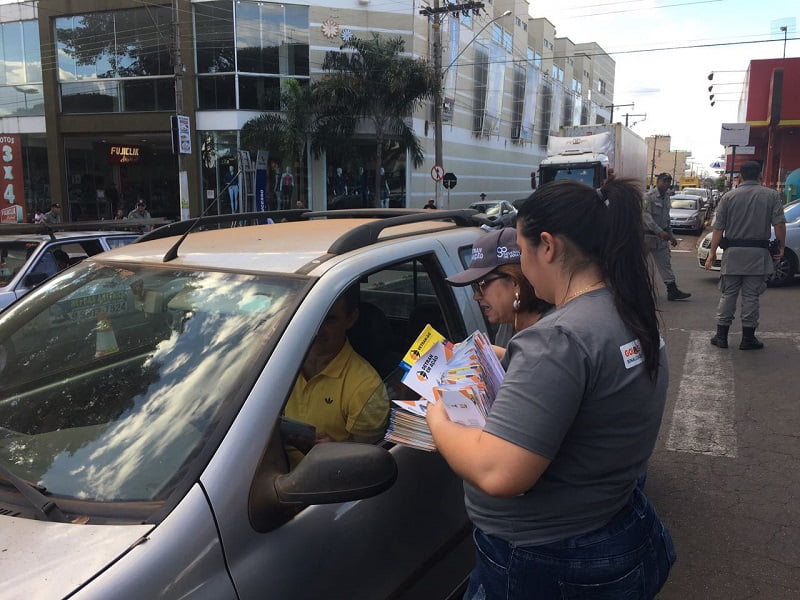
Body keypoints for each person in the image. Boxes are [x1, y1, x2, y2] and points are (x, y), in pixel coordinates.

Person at [427, 178, 675, 599]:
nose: (522, 267)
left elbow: (498, 472)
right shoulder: (624, 310)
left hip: (552, 557)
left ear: (548, 246)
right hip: (614, 525)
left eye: (522, 253)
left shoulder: (558, 337)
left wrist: (436, 415)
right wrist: (512, 359)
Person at [283, 285, 388, 451]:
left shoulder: (366, 388)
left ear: (351, 319)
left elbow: (366, 460)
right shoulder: (277, 362)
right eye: (312, 318)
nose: (317, 329)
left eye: (330, 319)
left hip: (324, 474)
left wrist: (335, 449)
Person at [705, 160, 786, 350]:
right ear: (760, 175)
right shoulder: (771, 195)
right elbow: (780, 225)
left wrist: (711, 253)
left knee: (728, 294)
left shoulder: (728, 197)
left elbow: (718, 229)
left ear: (740, 176)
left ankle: (721, 336)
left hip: (733, 254)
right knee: (751, 297)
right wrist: (781, 247)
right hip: (757, 254)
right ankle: (748, 339)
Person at [445, 227, 551, 349]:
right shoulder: (508, 326)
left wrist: (504, 357)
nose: (476, 296)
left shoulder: (553, 333)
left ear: (515, 282)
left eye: (481, 284)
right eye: (474, 286)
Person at [643, 172, 691, 301]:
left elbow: (666, 219)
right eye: (664, 181)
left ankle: (672, 290)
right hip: (647, 238)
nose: (667, 184)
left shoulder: (667, 198)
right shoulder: (648, 197)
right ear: (658, 181)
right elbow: (646, 217)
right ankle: (633, 290)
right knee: (638, 265)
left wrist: (671, 235)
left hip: (661, 239)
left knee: (665, 264)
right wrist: (659, 231)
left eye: (668, 182)